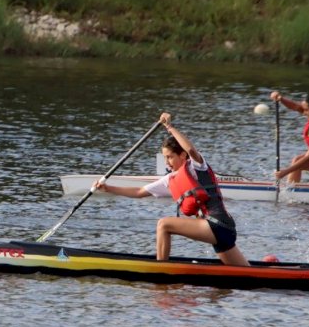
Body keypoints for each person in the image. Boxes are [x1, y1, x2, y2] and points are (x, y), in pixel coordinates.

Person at [94, 112, 250, 266]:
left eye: (169, 157)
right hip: (221, 231)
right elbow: (139, 192)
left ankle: (160, 269)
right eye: (164, 158)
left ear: (182, 155)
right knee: (246, 276)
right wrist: (108, 188)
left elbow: (191, 150)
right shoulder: (170, 179)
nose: (167, 162)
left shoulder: (197, 166)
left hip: (218, 224)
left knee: (164, 224)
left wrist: (169, 127)